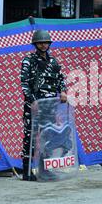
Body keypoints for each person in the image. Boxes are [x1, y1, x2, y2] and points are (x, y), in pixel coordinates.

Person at [20, 30, 67, 181]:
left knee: (48, 137)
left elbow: (60, 79)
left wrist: (63, 92)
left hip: (50, 105)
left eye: (46, 42)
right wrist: (32, 100)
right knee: (31, 138)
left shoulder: (53, 61)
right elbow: (25, 84)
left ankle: (45, 169)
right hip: (34, 105)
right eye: (40, 42)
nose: (43, 45)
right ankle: (27, 172)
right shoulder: (28, 60)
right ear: (35, 44)